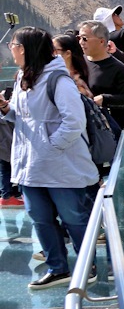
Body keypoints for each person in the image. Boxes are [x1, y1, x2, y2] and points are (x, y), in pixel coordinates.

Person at [0, 27, 99, 288]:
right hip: (32, 166)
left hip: (60, 166)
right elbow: (26, 118)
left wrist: (49, 148)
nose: (11, 48)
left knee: (73, 218)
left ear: (25, 49)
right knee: (40, 218)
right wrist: (6, 109)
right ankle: (58, 267)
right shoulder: (24, 77)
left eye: (14, 44)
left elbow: (74, 122)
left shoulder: (59, 80)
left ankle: (88, 267)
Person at [77, 20, 124, 131]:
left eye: (84, 38)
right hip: (84, 126)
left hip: (110, 130)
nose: (81, 42)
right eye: (78, 38)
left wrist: (105, 99)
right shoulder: (80, 62)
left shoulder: (119, 69)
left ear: (101, 41)